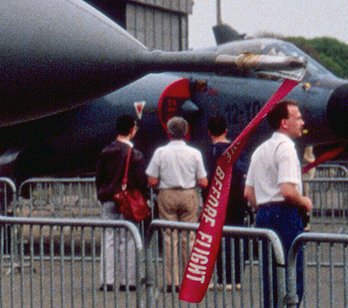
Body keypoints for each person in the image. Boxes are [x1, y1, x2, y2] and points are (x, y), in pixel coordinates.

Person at [246, 101, 311, 308]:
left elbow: (248, 193)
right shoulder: (286, 149)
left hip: (263, 214)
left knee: (271, 282)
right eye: (297, 116)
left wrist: (263, 206)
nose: (302, 121)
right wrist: (304, 201)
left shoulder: (260, 149)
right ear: (284, 122)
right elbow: (287, 189)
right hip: (284, 215)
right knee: (292, 282)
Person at [146, 116, 207, 291]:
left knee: (169, 238)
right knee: (189, 238)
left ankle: (171, 281)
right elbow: (203, 181)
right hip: (188, 194)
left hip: (167, 194)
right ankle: (190, 279)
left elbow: (152, 180)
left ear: (168, 131)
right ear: (186, 132)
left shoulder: (160, 152)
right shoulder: (195, 153)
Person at [95, 115, 148, 292]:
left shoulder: (106, 151)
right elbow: (141, 179)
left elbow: (99, 178)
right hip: (128, 200)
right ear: (132, 130)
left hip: (109, 199)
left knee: (108, 239)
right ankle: (129, 281)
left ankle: (107, 281)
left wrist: (102, 195)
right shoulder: (135, 154)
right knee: (129, 240)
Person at [204, 116, 250, 288]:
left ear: (209, 133)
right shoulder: (237, 149)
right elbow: (243, 170)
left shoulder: (208, 151)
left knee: (215, 236)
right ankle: (236, 278)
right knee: (236, 235)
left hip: (214, 197)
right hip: (235, 195)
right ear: (226, 131)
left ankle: (221, 276)